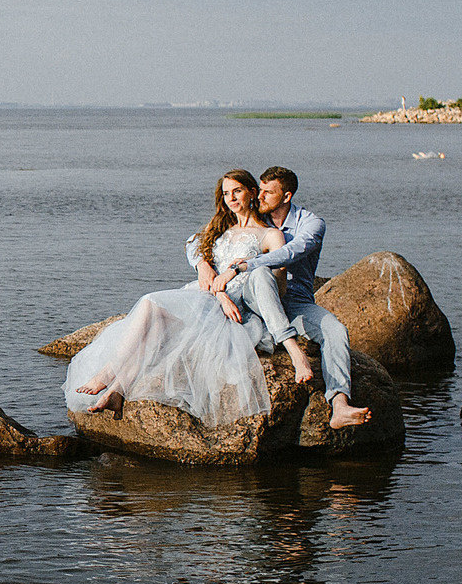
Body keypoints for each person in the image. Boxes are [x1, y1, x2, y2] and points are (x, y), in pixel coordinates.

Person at [65, 170, 305, 428]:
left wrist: (229, 292)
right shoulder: (222, 228)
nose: (231, 197)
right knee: (155, 323)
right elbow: (192, 242)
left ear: (252, 192)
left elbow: (277, 288)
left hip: (236, 307)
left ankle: (107, 374)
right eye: (226, 193)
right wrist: (203, 264)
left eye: (237, 190)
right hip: (210, 296)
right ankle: (116, 392)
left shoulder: (270, 235)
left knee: (150, 304)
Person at [241, 166, 371, 431]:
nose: (260, 197)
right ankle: (293, 350)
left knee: (335, 330)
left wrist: (247, 263)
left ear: (286, 196)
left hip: (295, 302)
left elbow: (291, 252)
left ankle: (340, 404)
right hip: (254, 300)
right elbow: (200, 240)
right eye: (260, 190)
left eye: (268, 192)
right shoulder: (251, 216)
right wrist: (202, 264)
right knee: (261, 276)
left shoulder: (312, 224)